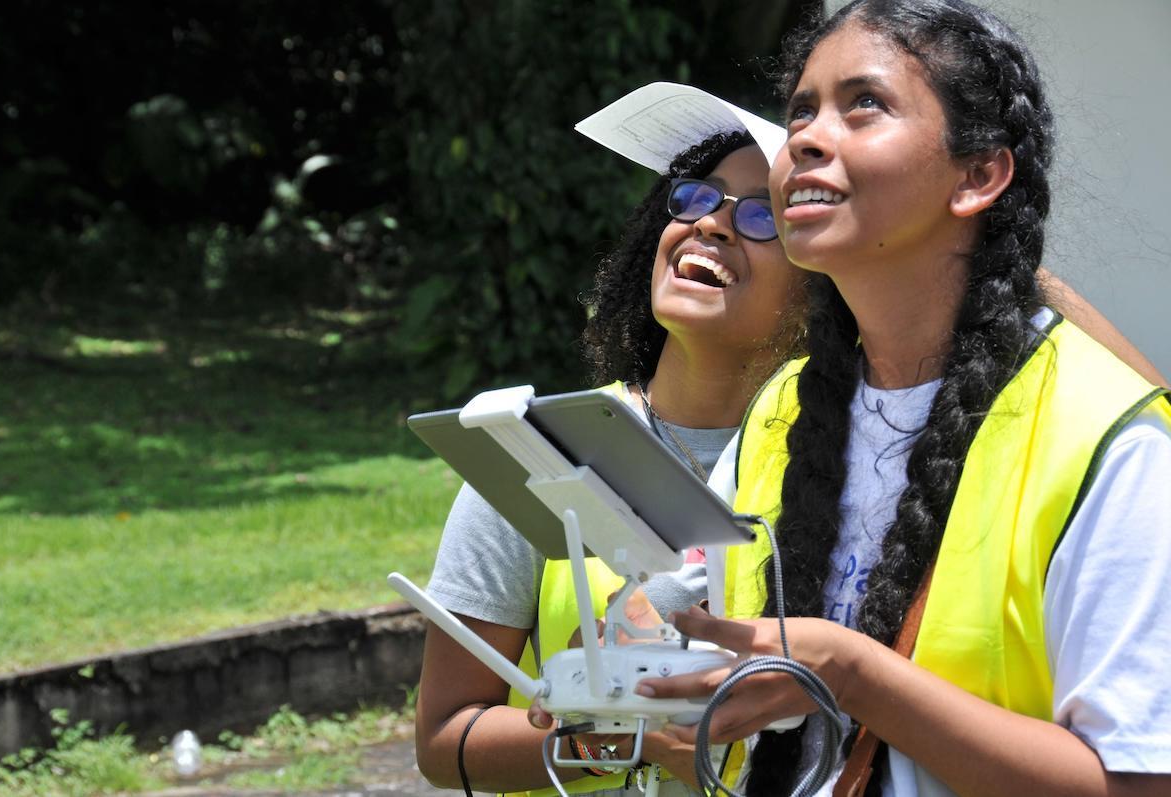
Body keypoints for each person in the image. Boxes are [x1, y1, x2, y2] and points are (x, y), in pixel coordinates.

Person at [633, 2, 1171, 796]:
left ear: (979, 175)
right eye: (801, 110)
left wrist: (852, 673)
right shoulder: (782, 405)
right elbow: (678, 599)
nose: (806, 138)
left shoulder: (1109, 441)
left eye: (864, 105)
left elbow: (1135, 784)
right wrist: (650, 629)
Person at [415, 120, 805, 796]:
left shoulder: (843, 464)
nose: (711, 223)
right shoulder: (543, 448)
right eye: (695, 197)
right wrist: (624, 738)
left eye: (760, 215)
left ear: (824, 286)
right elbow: (446, 736)